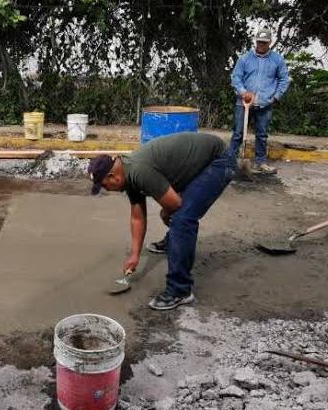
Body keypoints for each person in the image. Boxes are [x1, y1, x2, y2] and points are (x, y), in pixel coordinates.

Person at [88, 132, 236, 310]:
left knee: (182, 219)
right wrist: (135, 255)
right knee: (173, 214)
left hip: (218, 161)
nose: (107, 189)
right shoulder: (127, 173)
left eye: (104, 185)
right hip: (199, 161)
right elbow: (137, 216)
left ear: (113, 176)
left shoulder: (138, 171)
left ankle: (180, 290)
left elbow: (174, 203)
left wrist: (166, 214)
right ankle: (172, 242)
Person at [230, 27, 290, 174]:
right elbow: (236, 77)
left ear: (270, 43)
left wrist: (276, 97)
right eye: (259, 42)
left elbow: (284, 79)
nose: (261, 45)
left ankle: (261, 162)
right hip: (243, 103)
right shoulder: (245, 58)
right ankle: (229, 161)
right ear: (256, 41)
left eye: (264, 43)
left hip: (265, 103)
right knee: (238, 133)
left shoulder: (277, 60)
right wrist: (243, 92)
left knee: (262, 134)